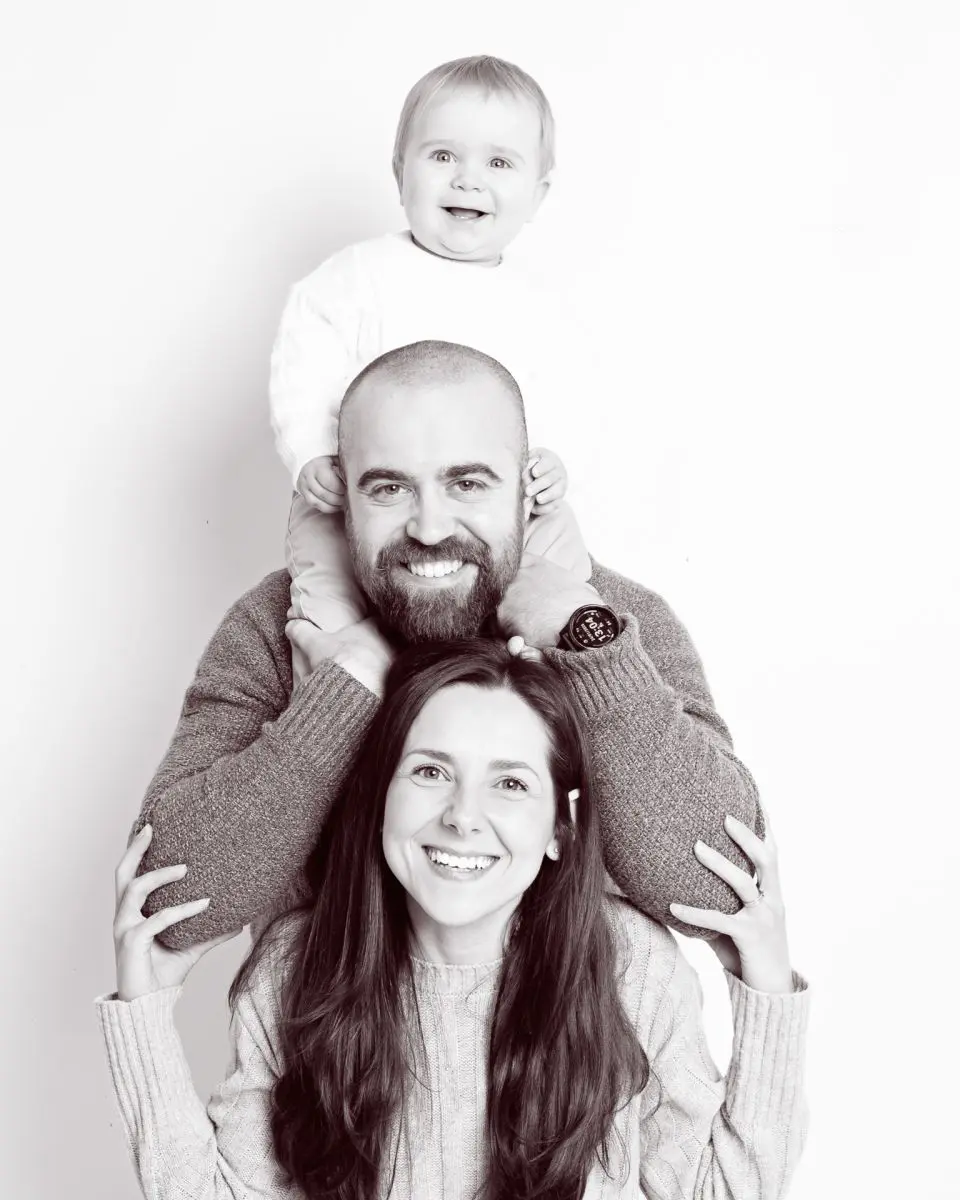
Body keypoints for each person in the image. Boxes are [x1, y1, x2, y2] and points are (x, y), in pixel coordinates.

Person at [102, 640, 809, 1200]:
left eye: (510, 783)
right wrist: (146, 1015)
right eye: (431, 772)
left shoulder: (630, 963)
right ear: (381, 795)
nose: (463, 817)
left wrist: (767, 990)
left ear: (560, 828)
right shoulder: (296, 964)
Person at [134, 339, 764, 948]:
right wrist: (343, 692)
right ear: (342, 502)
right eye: (388, 488)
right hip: (335, 1052)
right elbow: (170, 907)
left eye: (467, 483)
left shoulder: (614, 623)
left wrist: (587, 644)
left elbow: (719, 893)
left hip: (577, 1047)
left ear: (527, 491)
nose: (430, 528)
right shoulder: (278, 626)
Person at [271, 54, 592, 654]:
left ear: (538, 192)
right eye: (442, 156)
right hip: (354, 500)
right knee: (326, 601)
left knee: (563, 580)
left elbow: (564, 391)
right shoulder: (354, 278)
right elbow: (303, 367)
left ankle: (548, 691)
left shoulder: (540, 307)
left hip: (501, 511)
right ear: (400, 172)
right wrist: (309, 452)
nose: (467, 179)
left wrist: (555, 460)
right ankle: (338, 690)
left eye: (499, 162)